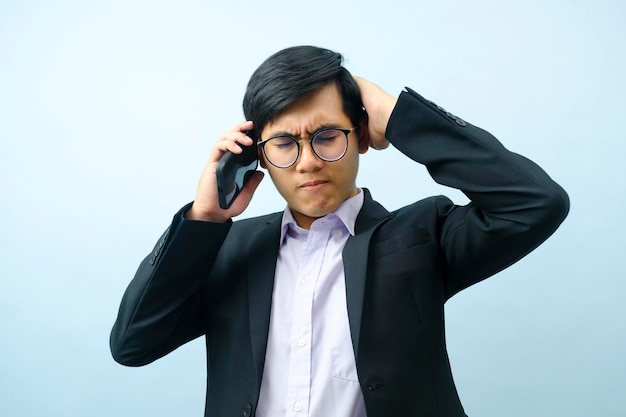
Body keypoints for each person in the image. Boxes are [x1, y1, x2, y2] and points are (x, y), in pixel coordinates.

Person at [110, 45, 569, 417]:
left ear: (363, 136)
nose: (308, 161)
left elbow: (536, 202)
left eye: (328, 136)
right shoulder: (227, 249)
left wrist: (400, 114)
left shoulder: (423, 235)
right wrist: (204, 221)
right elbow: (133, 344)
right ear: (259, 157)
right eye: (284, 144)